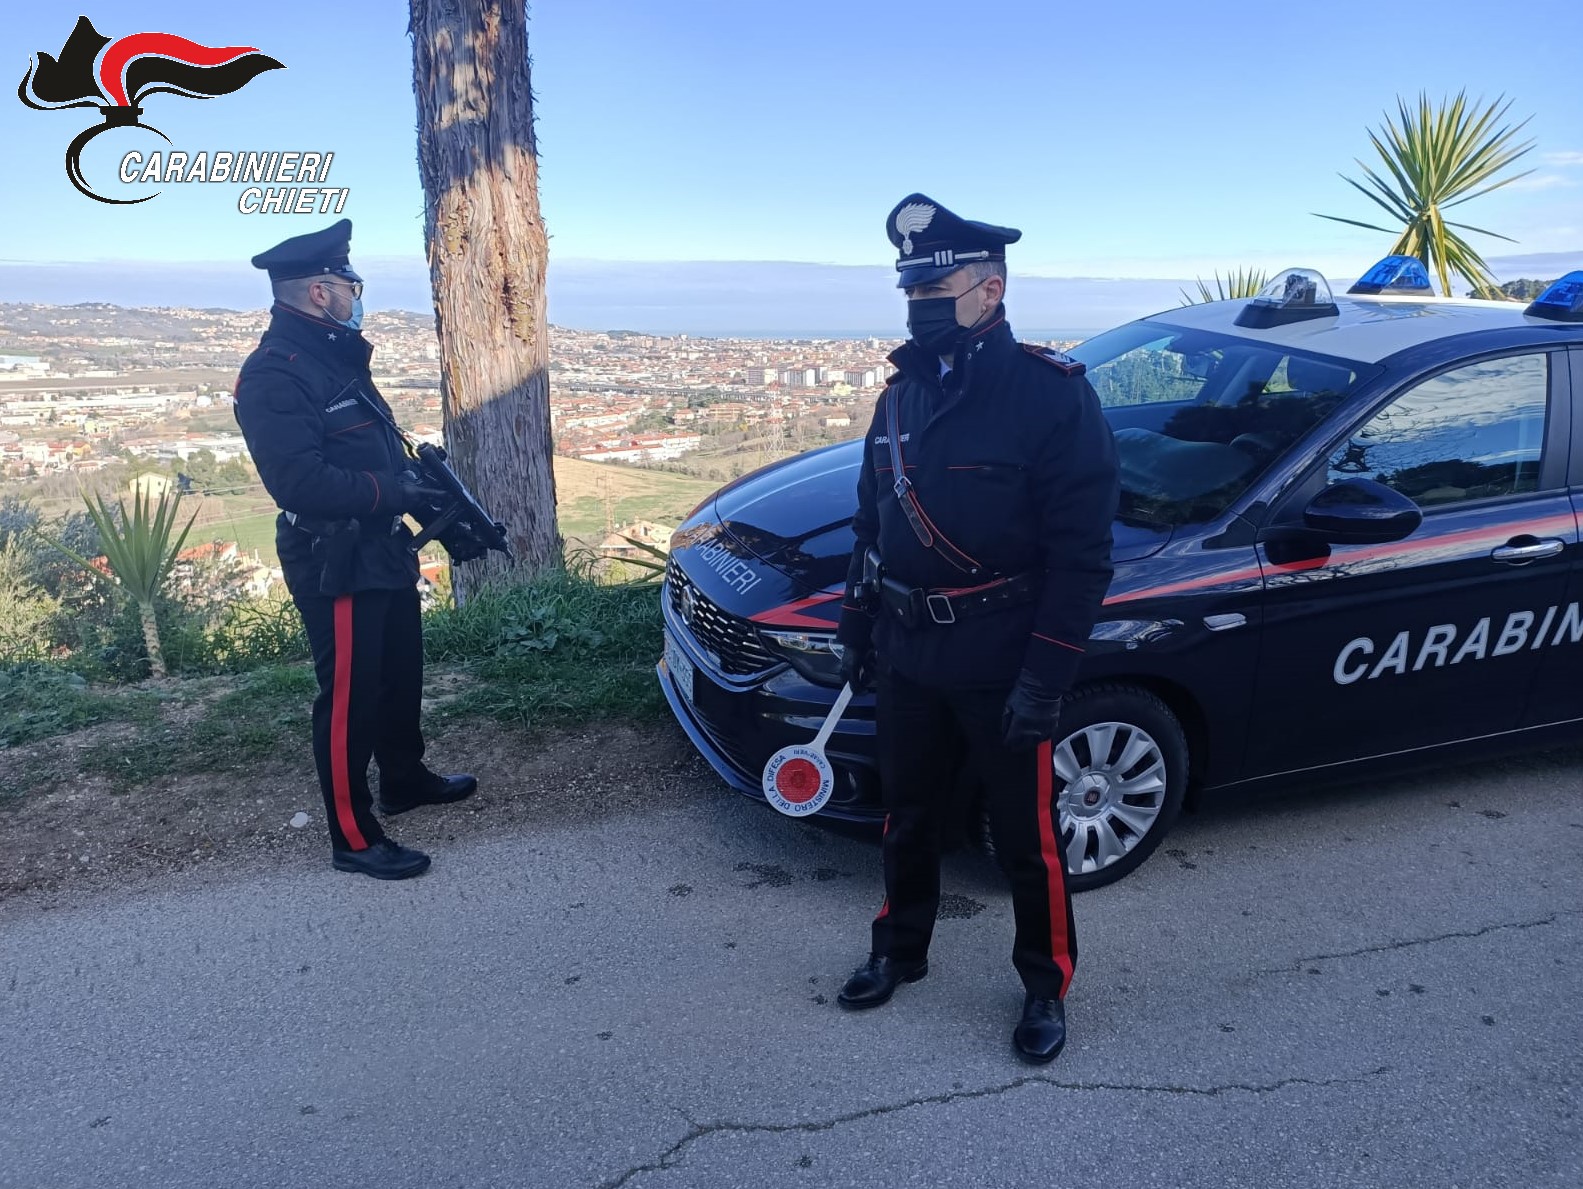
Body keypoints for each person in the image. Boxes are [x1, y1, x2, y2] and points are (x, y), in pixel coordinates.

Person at [834, 194, 1119, 1063]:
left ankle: (1044, 984)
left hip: (1003, 658)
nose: (918, 296)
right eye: (909, 283)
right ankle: (900, 949)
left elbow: (1081, 556)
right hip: (909, 648)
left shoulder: (1050, 397)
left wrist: (1046, 679)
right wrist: (858, 623)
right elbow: (870, 519)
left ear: (989, 290)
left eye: (936, 281)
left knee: (1027, 839)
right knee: (907, 815)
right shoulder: (899, 395)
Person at [233, 219, 477, 881]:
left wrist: (414, 484)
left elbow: (362, 447)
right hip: (332, 552)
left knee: (399, 670)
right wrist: (390, 489)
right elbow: (298, 480)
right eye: (350, 284)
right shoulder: (274, 374)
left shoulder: (329, 355)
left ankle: (403, 777)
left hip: (379, 540)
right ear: (319, 291)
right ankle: (353, 834)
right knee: (349, 693)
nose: (355, 294)